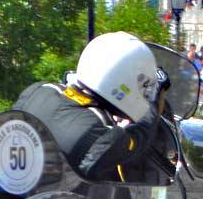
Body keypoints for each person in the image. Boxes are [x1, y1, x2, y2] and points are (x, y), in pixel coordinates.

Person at [12, 32, 169, 180]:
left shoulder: (37, 91)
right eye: (144, 86)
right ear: (123, 81)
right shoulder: (103, 135)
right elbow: (141, 135)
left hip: (12, 194)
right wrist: (154, 102)